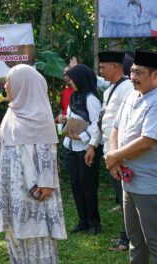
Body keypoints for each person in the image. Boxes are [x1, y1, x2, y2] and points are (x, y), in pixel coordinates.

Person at [0, 64, 67, 263]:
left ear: (23, 84)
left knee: (37, 233)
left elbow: (47, 151)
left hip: (34, 187)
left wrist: (47, 183)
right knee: (15, 233)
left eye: (10, 82)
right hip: (12, 187)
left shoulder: (40, 114)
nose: (6, 87)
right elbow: (4, 144)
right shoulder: (12, 112)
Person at [105, 49, 157, 263]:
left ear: (155, 75)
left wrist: (114, 155)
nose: (133, 77)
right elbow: (115, 128)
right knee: (135, 240)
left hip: (149, 183)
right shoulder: (130, 94)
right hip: (129, 181)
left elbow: (147, 141)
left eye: (139, 73)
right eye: (133, 71)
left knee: (153, 241)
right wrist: (114, 157)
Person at [85, 51, 133, 250]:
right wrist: (92, 145)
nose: (101, 71)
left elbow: (126, 125)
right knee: (121, 196)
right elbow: (102, 121)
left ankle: (127, 238)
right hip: (109, 151)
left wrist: (118, 155)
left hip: (122, 153)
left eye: (103, 67)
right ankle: (126, 236)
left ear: (115, 66)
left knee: (126, 198)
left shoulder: (128, 88)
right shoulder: (110, 90)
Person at [63, 64, 103, 235]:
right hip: (71, 147)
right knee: (76, 185)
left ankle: (94, 223)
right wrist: (64, 120)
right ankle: (83, 221)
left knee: (88, 186)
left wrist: (83, 137)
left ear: (80, 78)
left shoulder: (91, 98)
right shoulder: (74, 96)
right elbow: (72, 117)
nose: (69, 81)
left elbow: (97, 124)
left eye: (72, 78)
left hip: (87, 148)